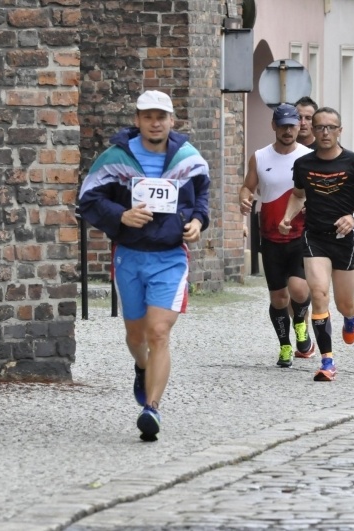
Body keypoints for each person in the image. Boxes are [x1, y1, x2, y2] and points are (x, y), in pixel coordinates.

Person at [78, 90, 210, 441]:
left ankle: (151, 409)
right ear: (137, 120)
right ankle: (141, 365)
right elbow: (88, 199)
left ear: (172, 121)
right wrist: (121, 215)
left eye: (161, 117)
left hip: (170, 256)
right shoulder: (115, 157)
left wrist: (198, 221)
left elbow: (202, 198)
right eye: (148, 116)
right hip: (130, 255)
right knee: (136, 335)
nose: (155, 123)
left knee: (158, 332)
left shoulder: (188, 158)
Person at [279, 107, 354, 382]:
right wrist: (287, 216)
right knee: (319, 293)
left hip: (345, 240)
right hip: (315, 238)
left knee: (343, 303)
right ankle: (327, 362)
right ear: (311, 129)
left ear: (339, 130)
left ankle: (352, 314)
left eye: (330, 127)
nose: (325, 132)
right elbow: (298, 195)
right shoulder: (303, 164)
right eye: (319, 127)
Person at [238, 104, 315, 368]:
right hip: (270, 236)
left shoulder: (308, 157)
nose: (287, 131)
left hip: (301, 234)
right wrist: (244, 201)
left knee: (299, 289)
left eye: (292, 126)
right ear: (274, 126)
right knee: (279, 298)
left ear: (299, 127)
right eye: (282, 126)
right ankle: (285, 346)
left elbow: (320, 193)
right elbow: (248, 187)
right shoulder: (260, 157)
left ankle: (301, 323)